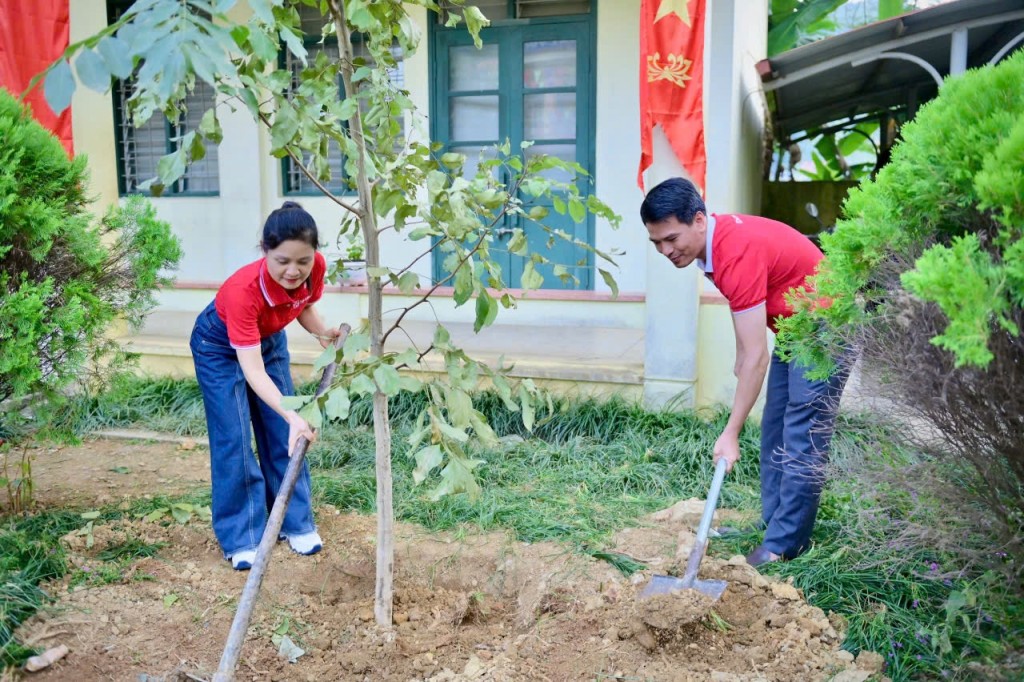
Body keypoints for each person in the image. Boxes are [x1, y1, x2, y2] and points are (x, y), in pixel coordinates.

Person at [640, 177, 851, 567]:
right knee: (775, 425)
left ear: (699, 221)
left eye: (671, 238)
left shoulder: (734, 252)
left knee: (802, 431)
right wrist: (742, 360)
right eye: (657, 243)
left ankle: (785, 544)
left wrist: (730, 432)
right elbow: (748, 327)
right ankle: (774, 523)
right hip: (796, 326)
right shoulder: (713, 250)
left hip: (826, 327)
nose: (666, 251)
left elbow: (757, 358)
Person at [190, 201, 342, 570]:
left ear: (314, 255)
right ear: (265, 252)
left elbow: (301, 304)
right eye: (282, 261)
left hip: (269, 339)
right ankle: (242, 535)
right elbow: (253, 373)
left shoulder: (314, 268)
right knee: (235, 437)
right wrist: (293, 413)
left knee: (281, 433)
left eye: (302, 261)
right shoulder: (244, 291)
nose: (294, 270)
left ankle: (295, 523)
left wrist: (322, 331)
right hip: (220, 348)